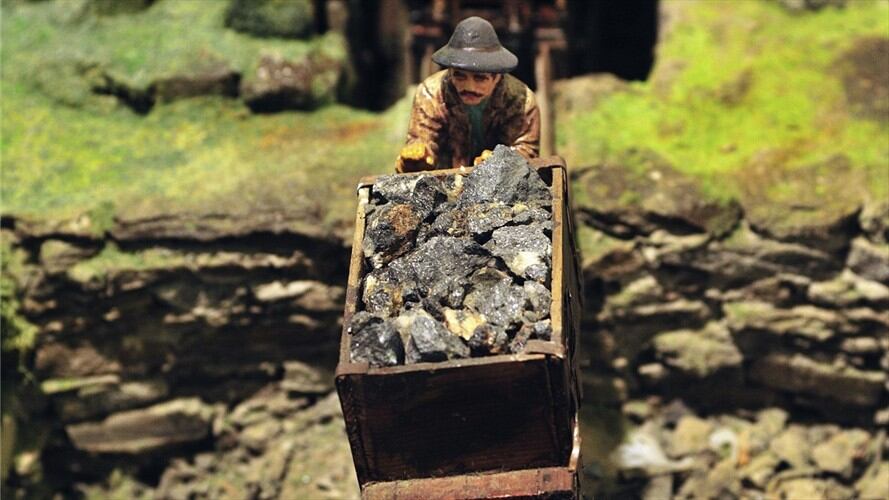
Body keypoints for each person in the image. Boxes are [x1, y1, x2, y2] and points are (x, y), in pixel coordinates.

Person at [396, 16, 540, 172]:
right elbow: (422, 139)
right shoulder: (430, 94)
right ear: (450, 72)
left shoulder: (521, 101)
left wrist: (502, 162)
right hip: (445, 180)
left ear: (497, 76)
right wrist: (419, 156)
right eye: (459, 75)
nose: (469, 86)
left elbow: (527, 150)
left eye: (480, 78)